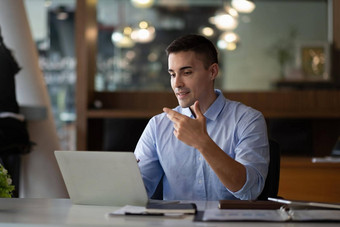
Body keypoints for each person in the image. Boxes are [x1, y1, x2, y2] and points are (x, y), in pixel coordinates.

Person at [134, 34, 269, 201]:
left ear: (212, 72)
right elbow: (135, 191)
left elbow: (250, 191)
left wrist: (202, 142)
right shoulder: (158, 125)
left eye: (187, 72)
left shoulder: (248, 120)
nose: (177, 84)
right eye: (172, 74)